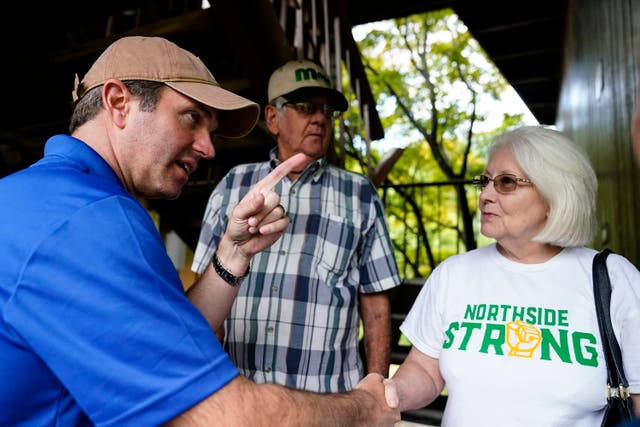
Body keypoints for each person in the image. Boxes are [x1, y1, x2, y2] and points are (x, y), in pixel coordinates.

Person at [0, 36, 400, 426]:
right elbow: (225, 417)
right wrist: (366, 408)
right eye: (191, 117)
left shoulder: (29, 194)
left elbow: (164, 339)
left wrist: (232, 254)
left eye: (211, 130)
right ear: (119, 103)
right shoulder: (91, 219)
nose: (210, 149)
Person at [384, 125, 640, 426]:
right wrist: (393, 392)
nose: (485, 196)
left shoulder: (615, 280)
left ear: (552, 195)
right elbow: (425, 370)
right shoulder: (454, 274)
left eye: (506, 182)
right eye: (486, 181)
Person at [191, 59, 402, 392]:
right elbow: (205, 285)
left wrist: (376, 388)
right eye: (305, 107)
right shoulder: (235, 185)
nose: (319, 118)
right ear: (273, 118)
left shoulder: (359, 193)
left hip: (328, 400)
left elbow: (375, 300)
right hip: (240, 394)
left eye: (326, 110)